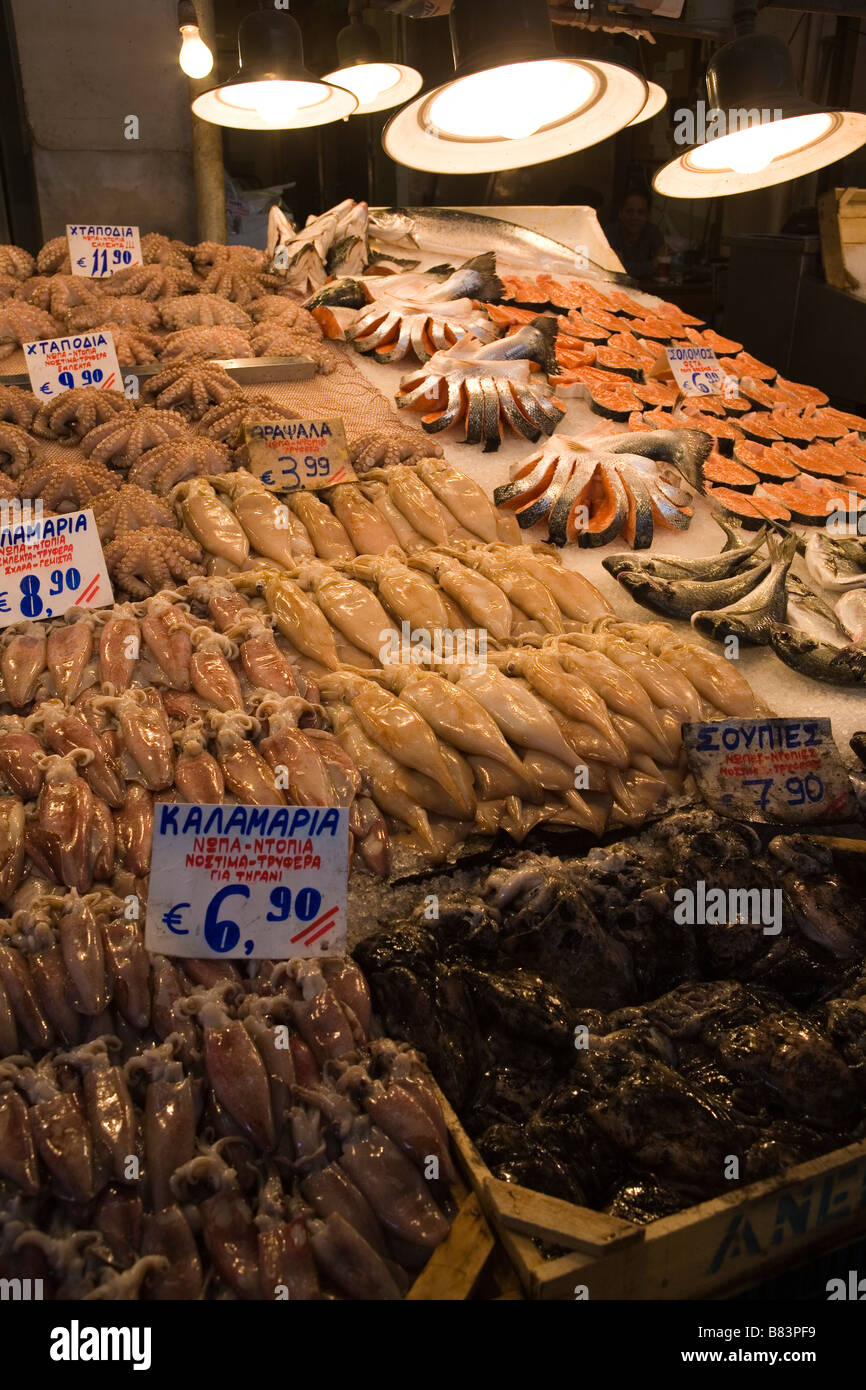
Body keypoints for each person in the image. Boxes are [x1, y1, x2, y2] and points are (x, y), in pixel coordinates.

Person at [604, 190, 668, 280]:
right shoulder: (610, 233)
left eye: (640, 212)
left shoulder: (653, 232)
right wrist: (650, 266)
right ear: (620, 213)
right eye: (629, 212)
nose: (635, 217)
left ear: (648, 215)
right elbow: (615, 270)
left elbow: (661, 266)